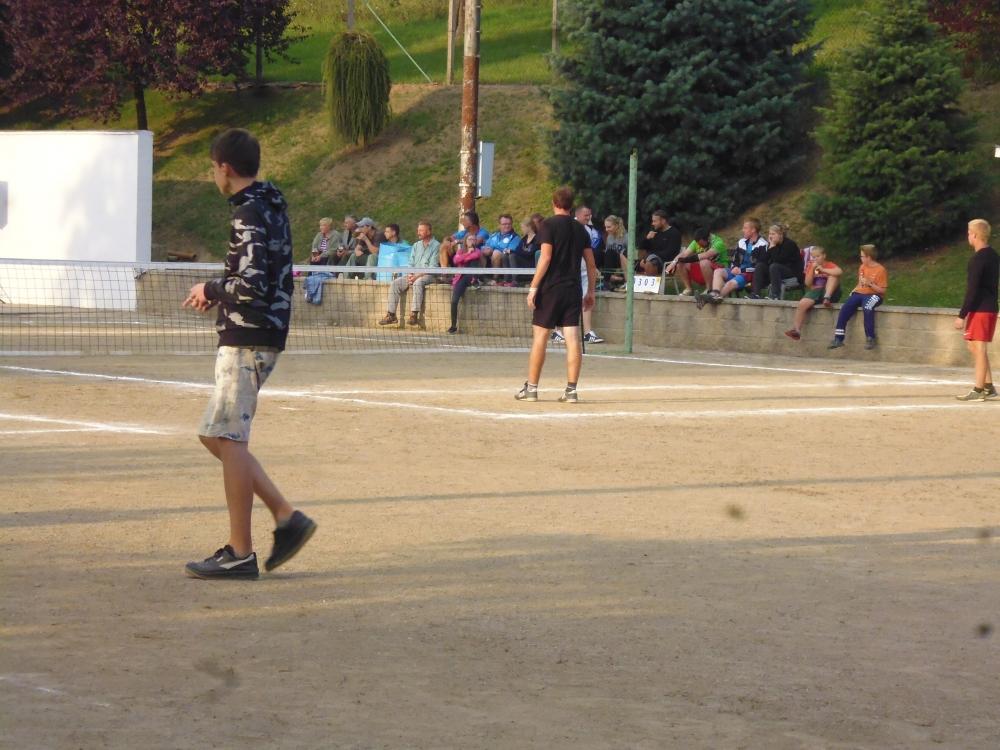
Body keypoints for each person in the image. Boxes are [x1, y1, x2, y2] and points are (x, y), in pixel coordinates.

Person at [182, 128, 316, 580]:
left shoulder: (248, 211)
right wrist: (220, 294)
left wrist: (211, 288)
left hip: (248, 336)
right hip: (261, 330)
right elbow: (258, 276)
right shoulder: (269, 203)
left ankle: (240, 552)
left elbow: (252, 283)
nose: (213, 175)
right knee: (214, 435)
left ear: (224, 167)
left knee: (229, 438)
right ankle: (286, 516)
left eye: (213, 167)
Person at [515, 186, 597, 404]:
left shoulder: (548, 225)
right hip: (573, 289)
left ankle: (531, 389)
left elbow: (546, 257)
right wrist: (591, 291)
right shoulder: (581, 229)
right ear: (571, 205)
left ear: (554, 203)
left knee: (540, 338)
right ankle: (571, 390)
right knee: (572, 338)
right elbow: (591, 264)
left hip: (550, 289)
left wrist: (533, 287)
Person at [954, 219, 999, 401]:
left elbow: (972, 289)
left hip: (981, 308)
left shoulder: (978, 259)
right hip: (988, 307)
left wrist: (961, 315)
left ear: (974, 235)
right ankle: (988, 386)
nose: (968, 236)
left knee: (978, 348)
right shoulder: (993, 255)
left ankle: (978, 389)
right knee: (973, 345)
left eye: (968, 233)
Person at [379, 220, 440, 326]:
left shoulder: (437, 245)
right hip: (414, 275)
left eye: (421, 230)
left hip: (429, 275)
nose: (418, 233)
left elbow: (433, 267)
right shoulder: (416, 245)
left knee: (418, 283)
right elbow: (410, 263)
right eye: (418, 230)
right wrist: (411, 274)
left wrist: (417, 276)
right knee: (395, 283)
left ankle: (414, 314)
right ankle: (391, 315)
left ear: (429, 232)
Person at [828, 244, 888, 350]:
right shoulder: (862, 267)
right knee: (845, 308)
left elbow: (882, 290)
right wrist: (854, 290)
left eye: (862, 256)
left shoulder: (880, 270)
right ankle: (838, 338)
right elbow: (860, 283)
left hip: (875, 295)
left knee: (867, 307)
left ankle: (870, 338)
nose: (860, 258)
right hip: (860, 293)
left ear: (869, 257)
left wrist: (870, 284)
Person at [783, 246, 843, 340]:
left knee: (833, 276)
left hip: (831, 292)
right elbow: (808, 283)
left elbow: (839, 271)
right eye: (814, 257)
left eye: (818, 256)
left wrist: (823, 270)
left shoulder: (829, 264)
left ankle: (826, 298)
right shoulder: (811, 266)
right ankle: (796, 330)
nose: (816, 259)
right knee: (802, 303)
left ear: (824, 256)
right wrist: (811, 270)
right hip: (816, 291)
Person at [666, 227, 728, 296]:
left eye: (701, 244)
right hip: (704, 270)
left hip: (720, 269)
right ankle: (688, 289)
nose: (699, 246)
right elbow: (684, 254)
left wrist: (684, 259)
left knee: (704, 261)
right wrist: (673, 263)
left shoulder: (718, 243)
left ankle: (709, 289)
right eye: (698, 244)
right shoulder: (697, 241)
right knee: (680, 264)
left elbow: (706, 255)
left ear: (708, 239)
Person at [749, 223, 802, 299]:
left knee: (774, 266)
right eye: (770, 234)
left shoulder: (790, 244)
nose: (770, 236)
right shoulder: (772, 244)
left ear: (780, 235)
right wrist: (770, 247)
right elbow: (763, 260)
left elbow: (779, 260)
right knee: (760, 266)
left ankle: (775, 295)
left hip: (791, 272)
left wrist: (773, 247)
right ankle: (756, 294)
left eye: (773, 234)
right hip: (775, 272)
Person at [448, 234, 482, 333]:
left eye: (474, 239)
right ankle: (453, 326)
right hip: (461, 277)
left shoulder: (477, 251)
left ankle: (475, 280)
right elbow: (456, 260)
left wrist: (464, 257)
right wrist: (467, 254)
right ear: (465, 241)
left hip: (471, 275)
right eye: (470, 239)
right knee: (454, 301)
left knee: (474, 261)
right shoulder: (460, 251)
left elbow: (475, 256)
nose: (472, 241)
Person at [483, 214, 523, 285]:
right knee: (481, 252)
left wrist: (493, 249)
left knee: (496, 253)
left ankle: (495, 279)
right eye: (504, 224)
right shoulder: (495, 235)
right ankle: (480, 277)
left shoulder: (515, 238)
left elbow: (509, 251)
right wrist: (486, 249)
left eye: (509, 224)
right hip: (492, 257)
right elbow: (486, 244)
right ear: (499, 225)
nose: (507, 226)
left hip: (505, 259)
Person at [603, 215, 628, 290]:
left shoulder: (626, 237)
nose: (606, 229)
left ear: (616, 226)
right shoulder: (609, 237)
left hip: (624, 260)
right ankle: (608, 280)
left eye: (609, 227)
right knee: (607, 252)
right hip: (612, 261)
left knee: (614, 253)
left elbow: (630, 254)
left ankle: (608, 280)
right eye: (605, 227)